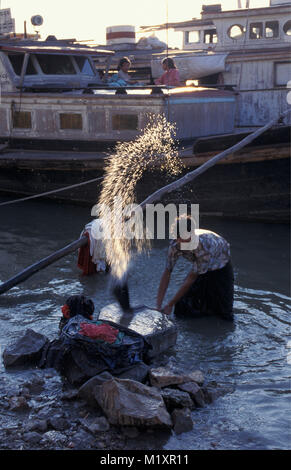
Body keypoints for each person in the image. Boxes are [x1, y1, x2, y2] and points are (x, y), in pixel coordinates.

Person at [157, 215, 234, 321]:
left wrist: (170, 304)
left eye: (188, 240)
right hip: (200, 264)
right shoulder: (174, 245)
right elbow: (167, 272)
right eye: (182, 240)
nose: (186, 244)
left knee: (223, 311)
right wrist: (158, 305)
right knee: (182, 305)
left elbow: (191, 278)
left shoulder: (202, 245)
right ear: (176, 237)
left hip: (220, 264)